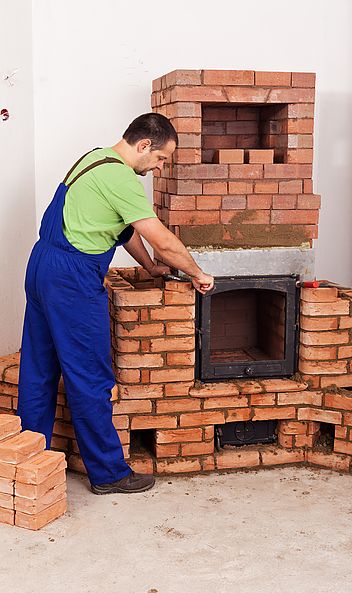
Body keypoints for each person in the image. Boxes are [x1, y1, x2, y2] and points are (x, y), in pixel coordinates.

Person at [17, 113, 214, 494]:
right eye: (160, 159)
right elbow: (164, 240)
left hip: (42, 265)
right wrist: (196, 272)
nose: (159, 167)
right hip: (71, 279)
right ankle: (109, 473)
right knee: (90, 375)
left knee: (39, 368)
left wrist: (151, 269)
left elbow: (122, 228)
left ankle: (29, 458)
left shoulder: (94, 159)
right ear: (144, 146)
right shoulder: (122, 178)